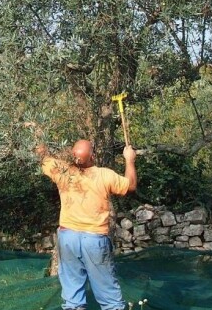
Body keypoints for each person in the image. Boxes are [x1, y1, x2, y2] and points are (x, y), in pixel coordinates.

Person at [26, 123, 137, 310]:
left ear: (71, 154)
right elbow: (131, 185)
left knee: (72, 298)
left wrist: (36, 130)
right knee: (110, 298)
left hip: (67, 237)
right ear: (92, 157)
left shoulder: (61, 171)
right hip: (94, 239)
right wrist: (130, 160)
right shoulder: (104, 175)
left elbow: (42, 154)